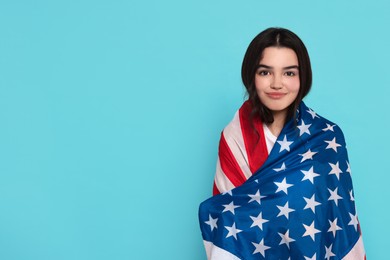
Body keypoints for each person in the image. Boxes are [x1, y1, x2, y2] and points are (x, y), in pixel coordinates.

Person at [199, 28, 365, 259]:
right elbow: (228, 219)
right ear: (251, 76)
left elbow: (340, 221)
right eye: (265, 72)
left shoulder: (327, 138)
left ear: (302, 77)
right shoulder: (233, 137)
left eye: (289, 73)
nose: (277, 84)